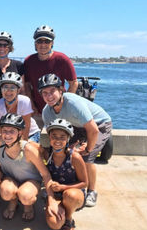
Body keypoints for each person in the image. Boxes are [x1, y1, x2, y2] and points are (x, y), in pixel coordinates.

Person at [39, 73, 112, 207]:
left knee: (86, 157)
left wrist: (88, 148)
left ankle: (91, 191)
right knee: (64, 152)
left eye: (52, 91)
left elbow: (93, 130)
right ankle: (63, 185)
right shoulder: (46, 112)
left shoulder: (73, 103)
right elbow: (54, 134)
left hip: (98, 124)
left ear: (61, 90)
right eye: (44, 93)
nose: (49, 96)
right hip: (75, 125)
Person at [0, 113, 53, 221]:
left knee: (25, 196)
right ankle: (13, 202)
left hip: (31, 180)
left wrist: (51, 199)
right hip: (10, 177)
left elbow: (45, 174)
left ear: (20, 132)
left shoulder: (28, 150)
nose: (7, 135)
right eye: (4, 131)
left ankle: (28, 206)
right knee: (6, 192)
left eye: (12, 131)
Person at [24, 25, 78, 127]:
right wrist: (31, 105)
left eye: (46, 41)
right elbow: (26, 85)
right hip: (37, 111)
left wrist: (65, 105)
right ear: (35, 43)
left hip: (59, 111)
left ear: (52, 43)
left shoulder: (62, 59)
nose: (43, 44)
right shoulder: (29, 61)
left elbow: (74, 83)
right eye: (40, 41)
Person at [44, 119, 88, 230]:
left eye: (62, 137)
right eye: (54, 136)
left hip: (74, 194)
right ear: (49, 137)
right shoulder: (46, 154)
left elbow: (85, 183)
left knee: (70, 195)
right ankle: (61, 210)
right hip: (56, 195)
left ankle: (68, 218)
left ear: (68, 139)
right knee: (55, 224)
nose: (57, 140)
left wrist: (64, 187)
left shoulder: (75, 157)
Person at [0, 72, 40, 143]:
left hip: (30, 134)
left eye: (12, 88)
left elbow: (26, 128)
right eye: (5, 87)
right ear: (1, 90)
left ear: (18, 90)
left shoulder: (25, 101)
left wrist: (21, 147)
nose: (8, 91)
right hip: (10, 136)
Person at [0, 31, 25, 100]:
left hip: (15, 108)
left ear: (10, 48)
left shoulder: (18, 66)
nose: (2, 48)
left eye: (5, 45)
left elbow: (22, 91)